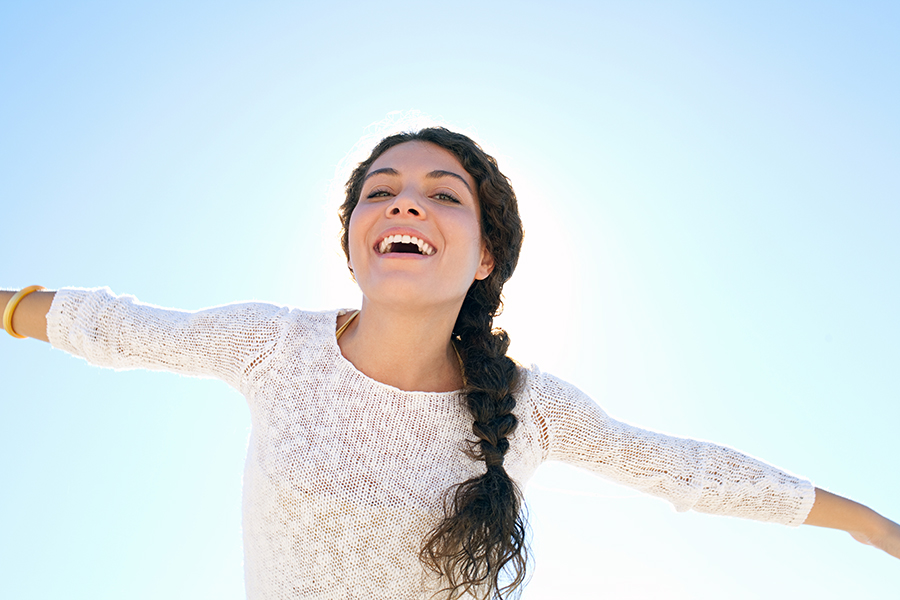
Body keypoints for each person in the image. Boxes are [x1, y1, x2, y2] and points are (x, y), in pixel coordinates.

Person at [3, 127, 899, 600]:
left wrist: (868, 524)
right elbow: (114, 327)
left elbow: (687, 470)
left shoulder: (532, 411)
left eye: (444, 194)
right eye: (381, 191)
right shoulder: (275, 346)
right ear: (356, 243)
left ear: (482, 258)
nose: (407, 203)